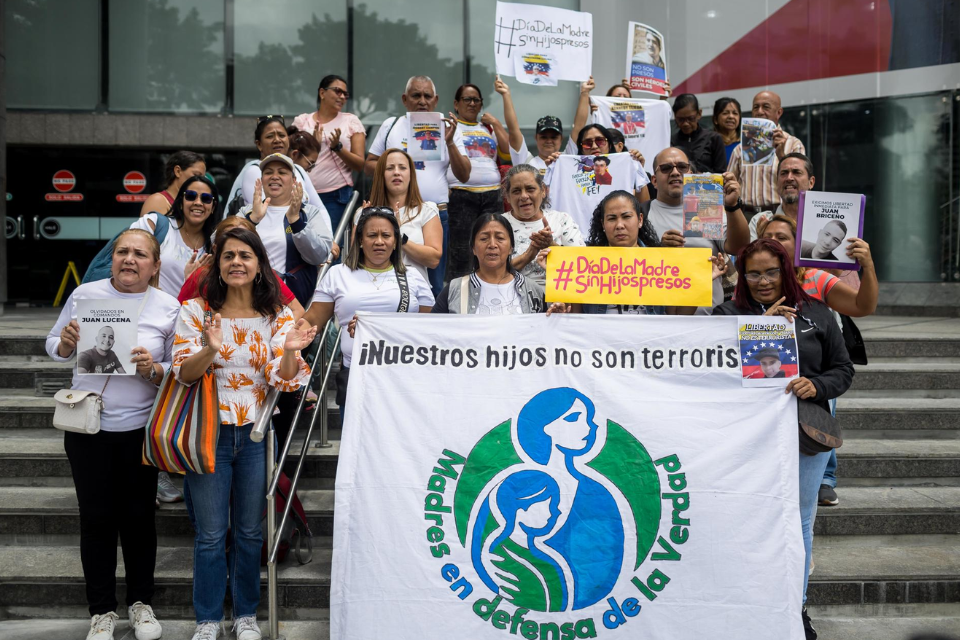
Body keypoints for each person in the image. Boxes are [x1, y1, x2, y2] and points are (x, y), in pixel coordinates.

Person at [173, 227, 315, 640]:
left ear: (259, 266)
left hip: (255, 436)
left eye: (245, 256)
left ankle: (246, 615)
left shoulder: (278, 315)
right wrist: (211, 348)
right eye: (228, 256)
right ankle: (207, 619)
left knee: (252, 531)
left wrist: (289, 351)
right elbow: (183, 373)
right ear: (217, 265)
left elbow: (284, 381)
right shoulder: (197, 311)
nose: (236, 262)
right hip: (208, 435)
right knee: (212, 534)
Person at [713, 238, 854, 640]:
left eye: (771, 272)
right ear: (742, 275)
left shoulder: (818, 313)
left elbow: (843, 371)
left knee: (799, 518)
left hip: (805, 434)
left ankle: (796, 605)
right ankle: (747, 603)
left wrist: (817, 385)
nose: (762, 281)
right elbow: (710, 368)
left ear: (787, 272)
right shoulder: (727, 313)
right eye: (754, 272)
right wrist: (763, 327)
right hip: (742, 437)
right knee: (744, 515)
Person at [47, 228, 179, 640]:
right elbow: (53, 343)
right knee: (96, 520)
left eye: (140, 254)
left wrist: (153, 369)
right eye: (123, 251)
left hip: (140, 428)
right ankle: (101, 611)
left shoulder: (168, 306)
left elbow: (179, 368)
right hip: (88, 428)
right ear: (112, 257)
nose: (129, 259)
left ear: (155, 266)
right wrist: (67, 344)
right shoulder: (85, 294)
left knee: (139, 519)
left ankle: (142, 605)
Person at [305, 208, 435, 422]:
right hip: (356, 377)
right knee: (356, 452)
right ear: (360, 240)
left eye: (386, 235)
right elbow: (311, 321)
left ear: (395, 241)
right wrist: (289, 338)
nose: (379, 241)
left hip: (404, 378)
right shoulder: (338, 274)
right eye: (372, 235)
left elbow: (430, 330)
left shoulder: (413, 276)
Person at [365, 75, 471, 293]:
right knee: (389, 281)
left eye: (427, 96)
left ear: (436, 99)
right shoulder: (391, 125)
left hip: (435, 215)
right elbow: (369, 165)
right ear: (405, 99)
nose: (422, 101)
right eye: (416, 95)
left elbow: (464, 175)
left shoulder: (448, 127)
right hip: (394, 213)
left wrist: (449, 142)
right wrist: (397, 165)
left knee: (432, 285)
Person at [645, 147, 749, 311]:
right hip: (660, 321)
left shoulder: (706, 207)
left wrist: (732, 206)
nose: (675, 172)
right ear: (654, 181)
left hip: (709, 322)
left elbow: (739, 248)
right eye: (666, 168)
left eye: (682, 167)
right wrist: (658, 250)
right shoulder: (641, 215)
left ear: (691, 173)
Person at [238, 153, 333, 306]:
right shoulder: (247, 212)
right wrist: (252, 220)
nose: (275, 176)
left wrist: (296, 222)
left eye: (282, 172)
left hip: (290, 303)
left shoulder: (309, 212)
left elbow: (320, 255)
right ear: (262, 180)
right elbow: (218, 242)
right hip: (247, 299)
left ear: (294, 181)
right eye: (269, 172)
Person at [432, 213, 568, 315]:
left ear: (511, 248)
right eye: (484, 238)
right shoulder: (454, 290)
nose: (492, 245)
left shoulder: (534, 291)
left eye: (500, 238)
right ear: (473, 248)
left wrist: (556, 318)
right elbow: (432, 334)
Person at [179, 216, 305, 320]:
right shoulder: (201, 276)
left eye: (244, 238)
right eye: (229, 239)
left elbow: (297, 310)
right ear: (216, 249)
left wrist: (280, 335)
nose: (236, 261)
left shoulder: (266, 275)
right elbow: (180, 316)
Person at [446, 83, 511, 280]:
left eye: (476, 100)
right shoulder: (450, 127)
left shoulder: (487, 127)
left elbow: (508, 151)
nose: (472, 103)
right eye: (467, 99)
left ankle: (493, 284)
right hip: (461, 194)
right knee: (461, 250)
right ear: (456, 104)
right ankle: (459, 297)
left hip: (492, 195)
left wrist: (497, 124)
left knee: (493, 245)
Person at [758, 214, 877, 317]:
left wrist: (868, 266)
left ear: (797, 244)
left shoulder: (815, 279)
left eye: (781, 238)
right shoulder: (748, 278)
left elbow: (862, 307)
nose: (773, 241)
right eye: (767, 237)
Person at [292, 75, 366, 233]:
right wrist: (314, 147)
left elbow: (360, 165)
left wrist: (337, 148)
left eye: (345, 94)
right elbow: (291, 158)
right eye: (338, 91)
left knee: (331, 247)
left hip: (336, 195)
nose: (342, 97)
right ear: (322, 93)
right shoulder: (302, 121)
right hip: (302, 192)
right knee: (301, 241)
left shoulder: (351, 121)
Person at [362, 148, 442, 285]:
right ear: (381, 174)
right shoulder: (365, 212)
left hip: (415, 291)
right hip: (372, 287)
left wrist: (399, 237)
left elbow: (434, 259)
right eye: (390, 168)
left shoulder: (427, 210)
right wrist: (365, 222)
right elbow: (355, 259)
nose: (396, 172)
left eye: (403, 168)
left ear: (411, 174)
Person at [130, 175, 219, 296]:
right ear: (181, 202)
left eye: (206, 198)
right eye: (190, 196)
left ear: (213, 206)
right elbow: (128, 258)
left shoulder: (216, 242)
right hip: (151, 311)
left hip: (192, 313)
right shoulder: (154, 224)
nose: (198, 202)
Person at [226, 116, 325, 214]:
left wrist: (326, 230)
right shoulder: (253, 170)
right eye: (270, 136)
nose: (277, 140)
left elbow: (320, 209)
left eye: (282, 135)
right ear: (259, 145)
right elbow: (270, 212)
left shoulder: (299, 170)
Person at [727, 90, 805, 214]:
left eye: (766, 107)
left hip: (779, 214)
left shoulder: (794, 144)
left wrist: (781, 155)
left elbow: (800, 183)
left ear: (779, 112)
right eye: (756, 107)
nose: (759, 112)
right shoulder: (739, 149)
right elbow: (729, 183)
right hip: (745, 214)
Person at [495, 76, 566, 175]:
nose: (549, 141)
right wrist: (506, 94)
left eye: (554, 137)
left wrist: (584, 93)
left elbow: (578, 127)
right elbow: (513, 130)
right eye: (543, 137)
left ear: (561, 139)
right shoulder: (526, 161)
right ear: (536, 138)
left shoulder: (569, 162)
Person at [671, 94, 727, 174]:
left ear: (699, 114)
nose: (685, 124)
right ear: (675, 117)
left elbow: (721, 173)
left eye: (691, 118)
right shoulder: (672, 141)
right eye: (680, 120)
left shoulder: (714, 138)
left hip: (708, 186)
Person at [139, 150, 206, 217]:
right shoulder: (158, 201)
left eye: (202, 177)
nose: (200, 181)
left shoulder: (192, 203)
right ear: (178, 171)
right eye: (196, 175)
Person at [713, 97, 742, 165]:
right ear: (715, 120)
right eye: (725, 113)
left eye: (735, 113)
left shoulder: (745, 145)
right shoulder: (710, 145)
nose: (731, 116)